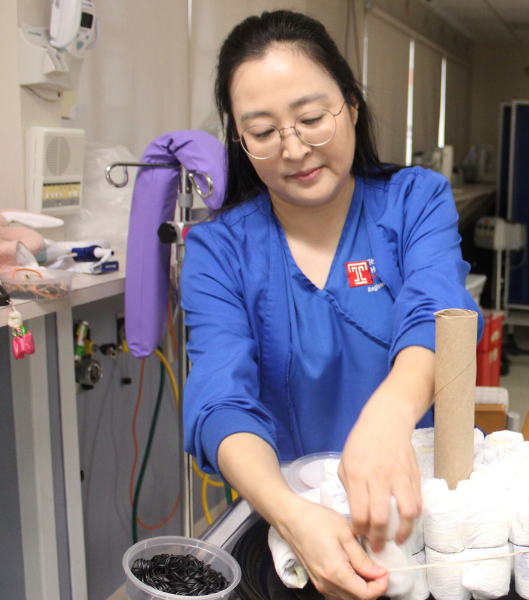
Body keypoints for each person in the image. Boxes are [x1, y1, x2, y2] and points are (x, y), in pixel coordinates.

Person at [181, 10, 481, 600]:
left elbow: (438, 315)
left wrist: (389, 415)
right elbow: (219, 403)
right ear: (240, 140)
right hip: (297, 528)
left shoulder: (414, 201)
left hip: (415, 522)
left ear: (351, 105)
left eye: (313, 118)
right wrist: (291, 514)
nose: (294, 149)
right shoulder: (220, 250)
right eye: (264, 132)